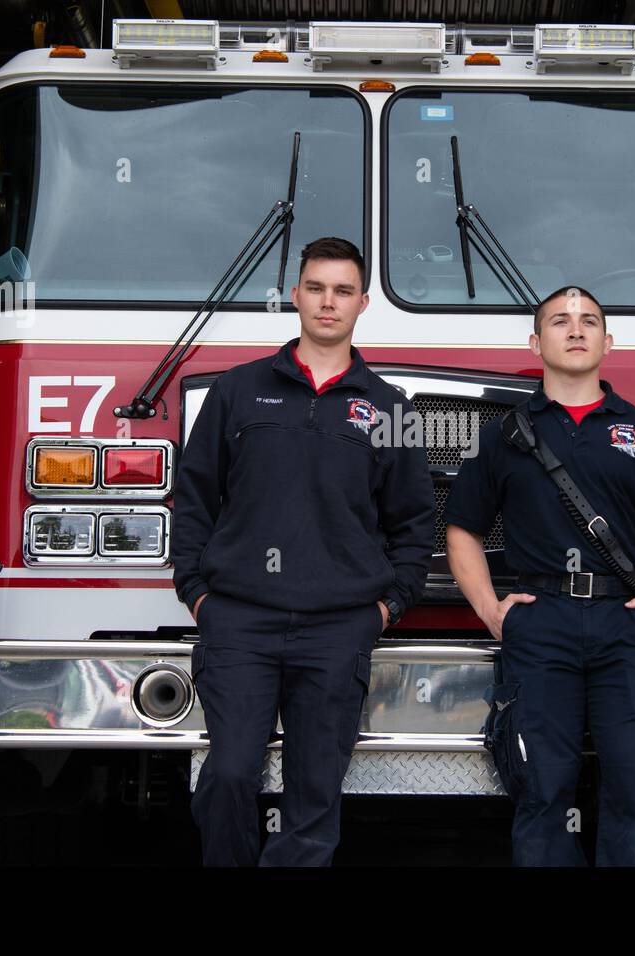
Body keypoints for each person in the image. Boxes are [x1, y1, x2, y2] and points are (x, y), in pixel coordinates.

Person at [172, 237, 434, 866]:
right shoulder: (238, 391)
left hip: (339, 627)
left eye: (343, 291)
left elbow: (413, 519)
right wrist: (197, 593)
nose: (328, 302)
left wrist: (386, 608)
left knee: (314, 796)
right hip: (239, 618)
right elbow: (195, 496)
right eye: (316, 288)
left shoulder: (390, 408)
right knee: (231, 773)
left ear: (363, 303)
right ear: (295, 295)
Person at [444, 285, 635, 866]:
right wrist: (493, 611)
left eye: (588, 321)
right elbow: (462, 529)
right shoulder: (503, 438)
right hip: (540, 627)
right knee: (542, 797)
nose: (575, 330)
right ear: (536, 341)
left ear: (607, 342)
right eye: (560, 322)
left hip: (627, 627)